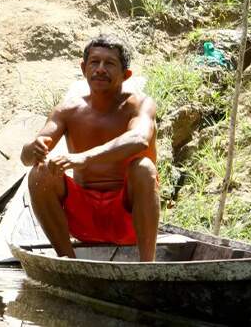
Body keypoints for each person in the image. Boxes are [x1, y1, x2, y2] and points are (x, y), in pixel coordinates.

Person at [20, 34, 159, 261]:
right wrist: (31, 148)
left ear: (126, 74)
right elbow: (27, 158)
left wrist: (83, 158)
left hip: (128, 220)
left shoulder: (140, 104)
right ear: (84, 68)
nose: (100, 69)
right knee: (39, 172)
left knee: (144, 168)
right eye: (94, 62)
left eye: (110, 64)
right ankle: (68, 261)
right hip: (83, 221)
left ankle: (148, 267)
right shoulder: (68, 109)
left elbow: (139, 139)